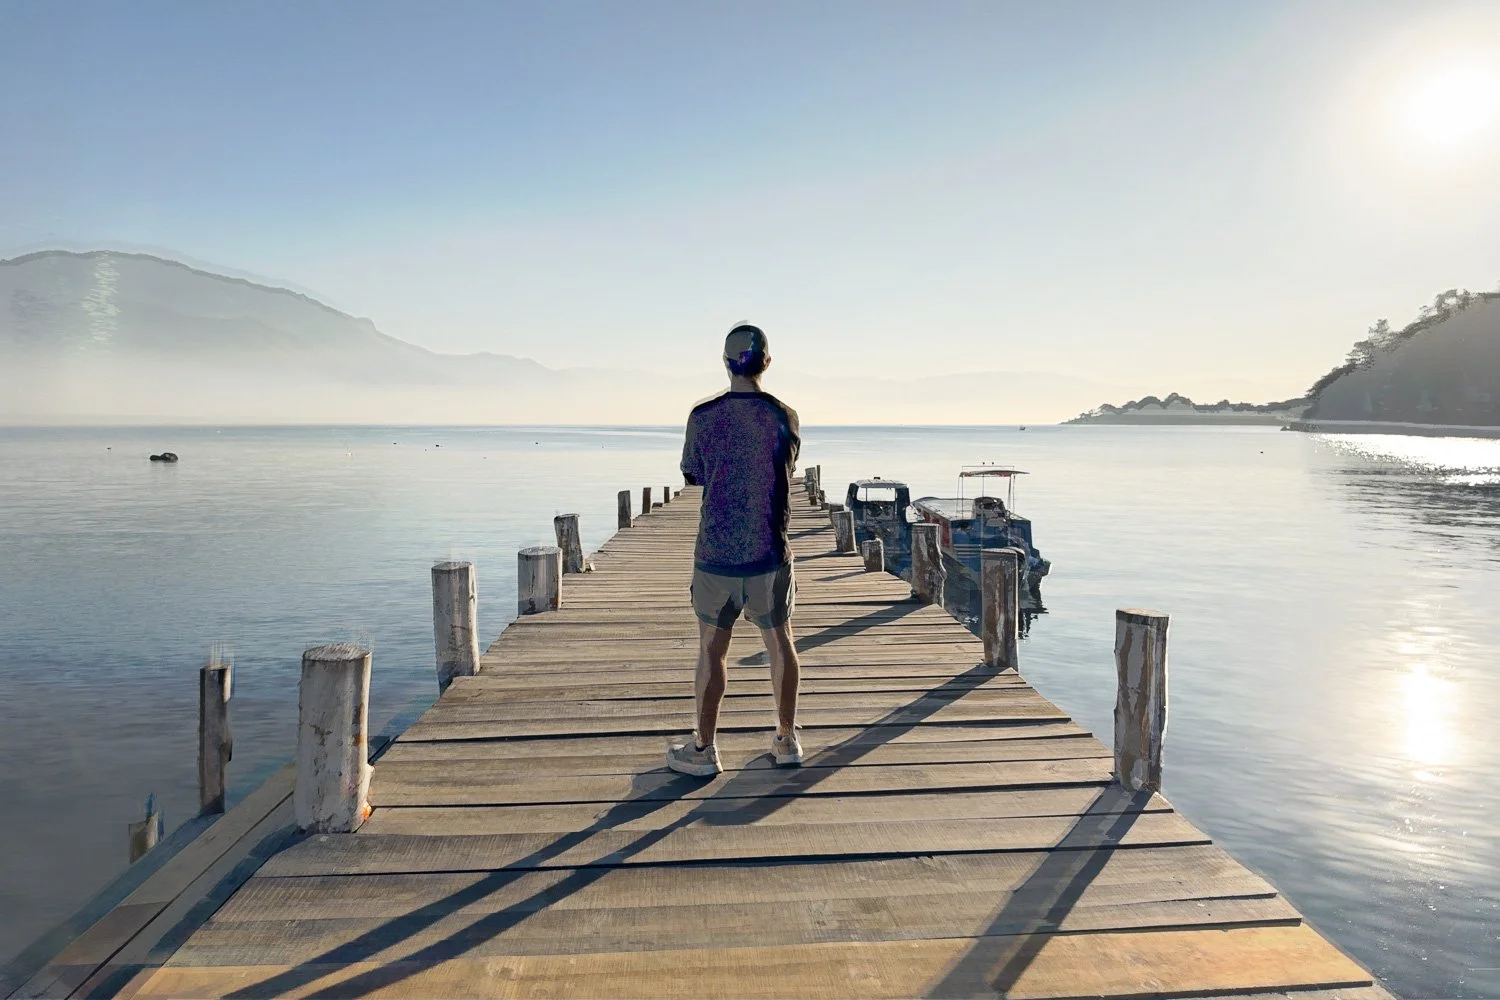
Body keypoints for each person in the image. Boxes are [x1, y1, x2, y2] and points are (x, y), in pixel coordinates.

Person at [667, 323, 802, 776]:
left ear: (726, 363)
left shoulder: (703, 417)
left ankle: (704, 750)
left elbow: (693, 473)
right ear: (765, 362)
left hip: (717, 553)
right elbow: (786, 466)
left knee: (711, 650)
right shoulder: (786, 416)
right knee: (780, 641)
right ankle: (786, 740)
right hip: (770, 549)